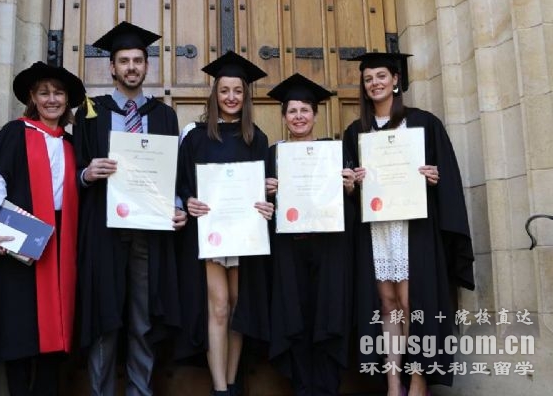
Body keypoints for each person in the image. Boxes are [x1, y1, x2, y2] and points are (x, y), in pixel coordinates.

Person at [342, 52, 475, 396]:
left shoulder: (423, 123)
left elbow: (444, 175)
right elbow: (349, 192)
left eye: (381, 76)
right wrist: (352, 184)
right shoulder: (356, 132)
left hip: (412, 226)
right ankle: (393, 384)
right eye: (368, 79)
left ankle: (417, 381)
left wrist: (433, 177)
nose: (375, 83)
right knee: (386, 303)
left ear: (396, 80)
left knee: (411, 302)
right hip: (377, 228)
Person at [0, 61, 85, 395]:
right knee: (19, 325)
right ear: (32, 98)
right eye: (44, 93)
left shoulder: (71, 144)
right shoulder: (16, 132)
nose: (51, 99)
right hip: (21, 242)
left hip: (60, 242)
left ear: (67, 100)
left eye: (58, 93)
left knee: (56, 325)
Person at [72, 21, 186, 396]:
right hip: (104, 228)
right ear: (112, 67)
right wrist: (87, 172)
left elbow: (174, 173)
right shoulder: (91, 113)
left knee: (143, 318)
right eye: (124, 61)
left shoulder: (164, 115)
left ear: (146, 66)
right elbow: (74, 168)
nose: (132, 67)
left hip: (149, 230)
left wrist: (178, 206)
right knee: (105, 316)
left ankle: (140, 390)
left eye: (138, 60)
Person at [176, 51, 274, 396]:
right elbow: (182, 183)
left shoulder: (256, 138)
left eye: (237, 91)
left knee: (237, 307)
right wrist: (188, 200)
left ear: (246, 96)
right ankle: (219, 387)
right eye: (224, 90)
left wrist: (267, 199)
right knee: (218, 306)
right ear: (214, 94)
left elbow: (264, 186)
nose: (231, 97)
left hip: (246, 235)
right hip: (211, 234)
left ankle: (232, 383)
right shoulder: (196, 137)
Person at [265, 73, 355, 396]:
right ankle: (302, 386)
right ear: (284, 117)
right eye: (292, 111)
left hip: (328, 248)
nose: (299, 116)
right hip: (289, 249)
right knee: (295, 318)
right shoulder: (273, 156)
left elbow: (349, 205)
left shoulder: (333, 152)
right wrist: (266, 191)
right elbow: (263, 208)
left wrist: (349, 188)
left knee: (327, 316)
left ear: (316, 115)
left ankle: (327, 386)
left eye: (305, 110)